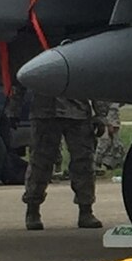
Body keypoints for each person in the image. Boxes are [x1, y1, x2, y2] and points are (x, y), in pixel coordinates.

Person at [23, 90, 102, 230]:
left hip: (78, 111)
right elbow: (18, 77)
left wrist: (101, 114)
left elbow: (95, 79)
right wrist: (13, 107)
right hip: (45, 111)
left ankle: (86, 210)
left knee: (84, 163)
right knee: (40, 163)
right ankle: (32, 209)